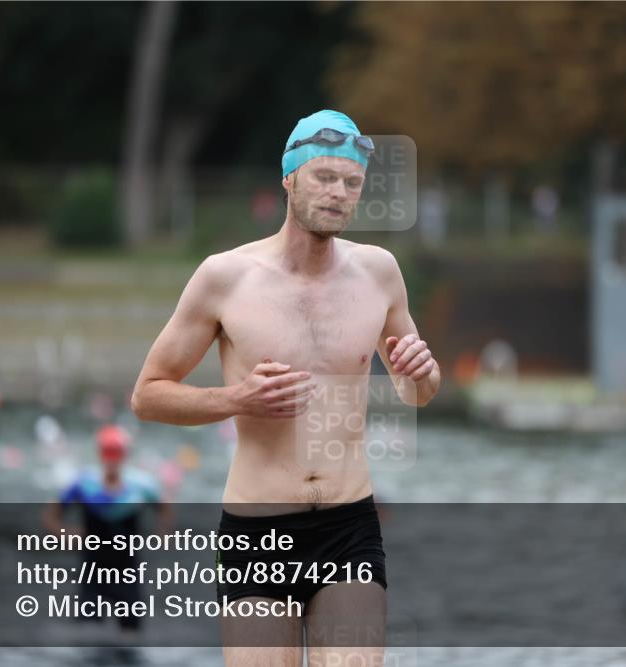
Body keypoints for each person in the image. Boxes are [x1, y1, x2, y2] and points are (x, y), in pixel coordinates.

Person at [131, 109, 441, 666]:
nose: (338, 193)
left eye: (351, 183)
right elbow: (148, 394)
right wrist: (236, 400)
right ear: (289, 179)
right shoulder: (225, 277)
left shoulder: (380, 273)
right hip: (258, 533)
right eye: (324, 177)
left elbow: (416, 391)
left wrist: (424, 373)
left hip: (349, 526)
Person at [43, 424, 171, 634]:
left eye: (116, 453)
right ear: (100, 455)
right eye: (107, 453)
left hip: (127, 571)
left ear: (124, 455)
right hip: (93, 570)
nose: (112, 459)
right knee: (88, 632)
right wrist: (65, 534)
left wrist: (163, 534)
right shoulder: (85, 484)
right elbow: (51, 515)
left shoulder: (139, 487)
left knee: (131, 631)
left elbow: (164, 506)